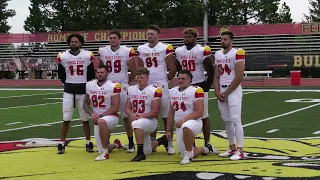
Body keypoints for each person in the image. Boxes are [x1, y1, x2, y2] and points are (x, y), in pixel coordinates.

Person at [175, 28, 218, 154]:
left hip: (199, 84)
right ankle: (191, 144)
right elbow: (179, 69)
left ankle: (207, 143)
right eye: (185, 37)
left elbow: (210, 69)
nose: (186, 39)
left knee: (203, 115)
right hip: (185, 86)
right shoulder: (179, 51)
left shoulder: (201, 50)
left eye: (189, 37)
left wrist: (207, 86)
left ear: (195, 38)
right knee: (187, 114)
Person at [136, 25, 177, 155]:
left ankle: (169, 143)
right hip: (148, 85)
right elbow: (141, 68)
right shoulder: (141, 48)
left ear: (158, 35)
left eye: (152, 34)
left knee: (165, 115)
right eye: (148, 34)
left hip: (161, 84)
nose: (150, 36)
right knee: (150, 113)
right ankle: (152, 141)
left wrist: (166, 80)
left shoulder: (165, 48)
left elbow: (172, 68)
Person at [98, 29, 137, 153]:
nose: (112, 40)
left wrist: (127, 82)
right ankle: (107, 142)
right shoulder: (103, 51)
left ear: (120, 39)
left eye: (115, 38)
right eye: (111, 38)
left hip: (122, 85)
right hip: (108, 87)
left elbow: (134, 70)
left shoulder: (126, 51)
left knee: (126, 116)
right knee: (108, 114)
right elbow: (101, 68)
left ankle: (131, 142)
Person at [56, 33, 96, 154]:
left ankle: (88, 142)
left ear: (80, 43)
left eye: (76, 41)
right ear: (69, 43)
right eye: (72, 41)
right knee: (66, 118)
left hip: (82, 91)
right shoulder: (63, 56)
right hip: (69, 91)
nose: (74, 43)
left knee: (85, 119)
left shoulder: (87, 55)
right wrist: (69, 84)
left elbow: (91, 75)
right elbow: (61, 74)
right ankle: (61, 143)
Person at [166, 70, 213, 165]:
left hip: (194, 122)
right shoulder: (172, 91)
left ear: (190, 80)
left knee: (186, 126)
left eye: (183, 78)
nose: (180, 80)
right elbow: (171, 113)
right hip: (179, 126)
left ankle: (188, 156)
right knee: (183, 153)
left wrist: (184, 120)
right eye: (179, 78)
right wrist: (168, 129)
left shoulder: (196, 90)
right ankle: (206, 149)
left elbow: (199, 112)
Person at [126, 67, 169, 162]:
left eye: (141, 77)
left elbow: (155, 112)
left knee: (136, 124)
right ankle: (161, 140)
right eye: (137, 77)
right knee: (148, 151)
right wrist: (132, 114)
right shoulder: (131, 89)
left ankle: (140, 153)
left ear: (147, 78)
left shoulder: (154, 90)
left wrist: (141, 116)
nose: (139, 79)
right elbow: (127, 108)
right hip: (138, 119)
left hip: (150, 121)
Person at [214, 31, 245, 160]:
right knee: (226, 120)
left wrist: (226, 93)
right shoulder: (218, 54)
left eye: (225, 39)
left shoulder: (238, 52)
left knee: (235, 119)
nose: (223, 41)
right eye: (222, 39)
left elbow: (239, 77)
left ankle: (240, 150)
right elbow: (216, 76)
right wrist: (217, 92)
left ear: (231, 40)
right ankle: (232, 148)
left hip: (233, 90)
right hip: (222, 90)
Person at [83, 65, 125, 161]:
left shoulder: (114, 85)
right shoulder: (89, 85)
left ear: (107, 73)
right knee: (100, 149)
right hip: (97, 119)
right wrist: (92, 114)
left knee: (101, 121)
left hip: (111, 117)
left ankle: (105, 154)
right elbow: (85, 104)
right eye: (98, 72)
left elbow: (115, 107)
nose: (99, 74)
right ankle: (116, 144)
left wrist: (101, 116)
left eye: (102, 72)